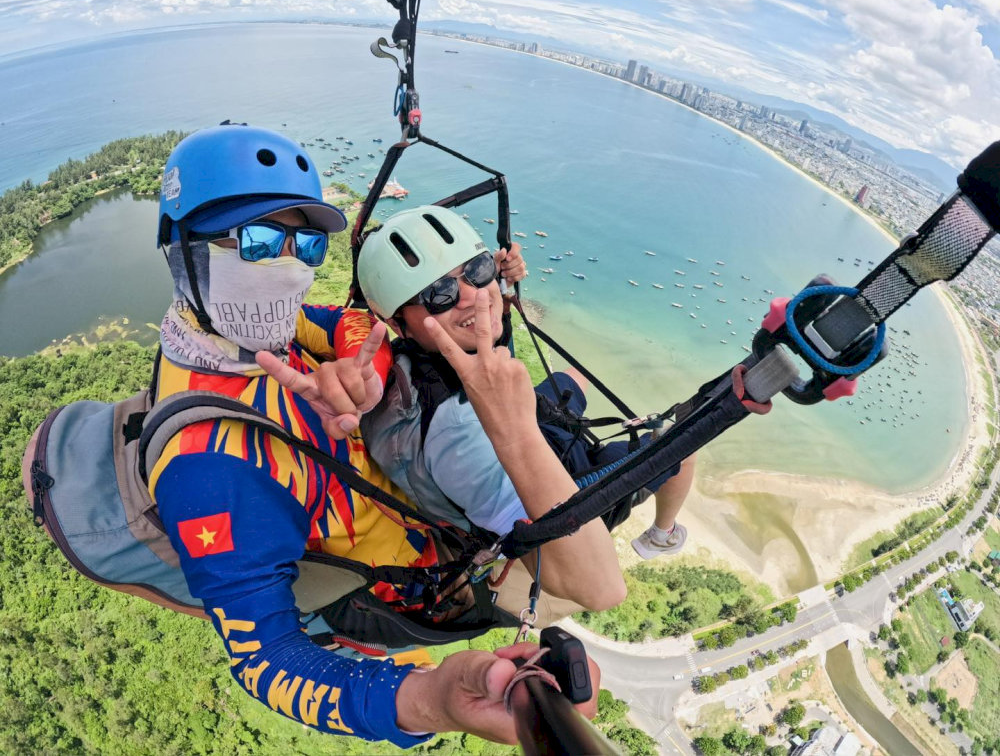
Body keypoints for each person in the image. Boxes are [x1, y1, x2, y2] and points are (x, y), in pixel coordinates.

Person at [149, 124, 610, 747]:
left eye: (307, 246)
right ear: (181, 247)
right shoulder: (209, 470)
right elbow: (265, 659)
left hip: (419, 508)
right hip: (419, 583)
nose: (287, 268)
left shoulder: (243, 333)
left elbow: (352, 321)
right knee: (589, 551)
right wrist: (433, 699)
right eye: (257, 241)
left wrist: (365, 371)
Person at [351, 205, 695, 572]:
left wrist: (502, 282)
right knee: (684, 441)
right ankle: (663, 534)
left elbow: (481, 322)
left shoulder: (417, 361)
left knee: (574, 376)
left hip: (525, 427)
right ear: (397, 322)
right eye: (440, 293)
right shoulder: (456, 434)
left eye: (476, 270)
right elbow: (548, 536)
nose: (473, 296)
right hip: (558, 488)